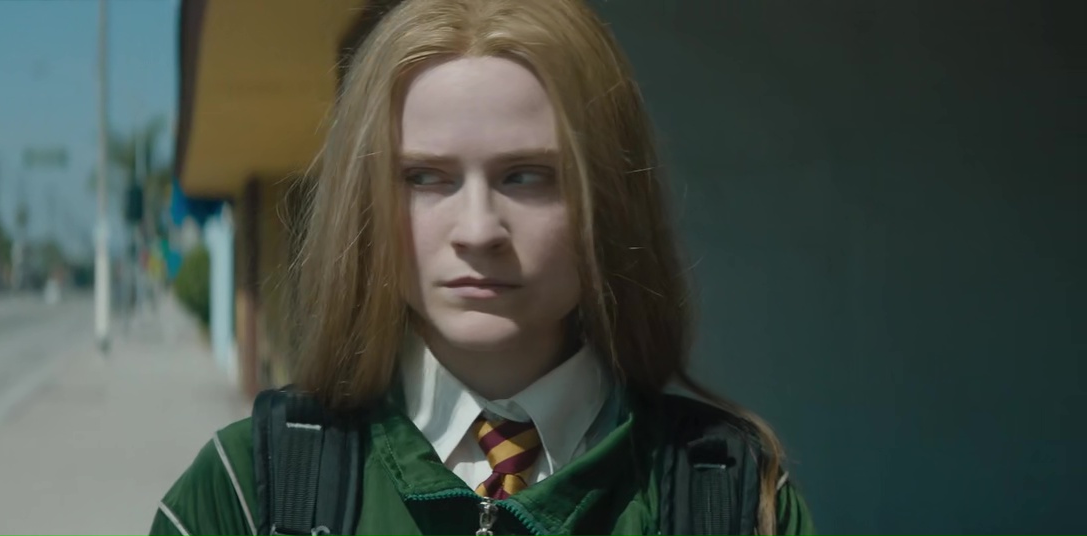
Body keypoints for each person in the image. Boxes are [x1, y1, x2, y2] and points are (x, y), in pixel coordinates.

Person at [151, 0, 816, 534]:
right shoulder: (247, 491)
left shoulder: (733, 498)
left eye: (527, 175)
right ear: (365, 204)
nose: (478, 231)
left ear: (611, 199)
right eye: (425, 177)